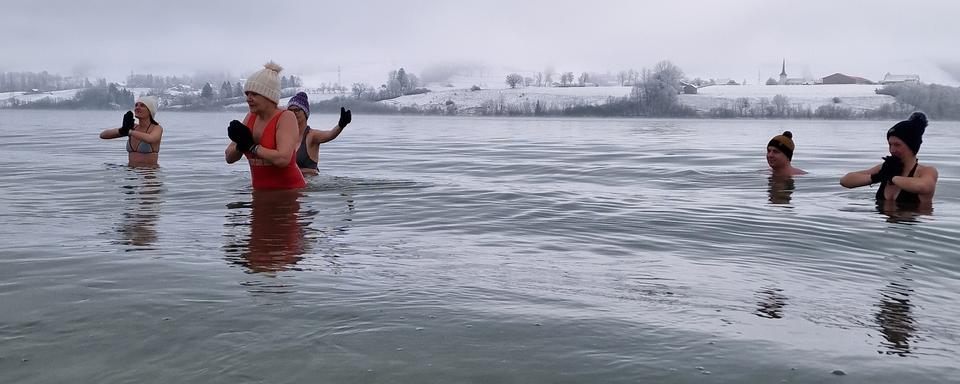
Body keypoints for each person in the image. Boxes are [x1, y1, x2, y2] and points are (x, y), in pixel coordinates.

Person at [224, 62, 305, 189]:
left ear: (269, 97)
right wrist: (240, 145)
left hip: (289, 192)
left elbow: (283, 159)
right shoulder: (250, 117)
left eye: (254, 94)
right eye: (247, 94)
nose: (248, 98)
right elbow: (229, 158)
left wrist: (252, 147)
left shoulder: (286, 117)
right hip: (259, 192)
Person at [840, 112, 937, 206]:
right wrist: (878, 176)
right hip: (881, 221)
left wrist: (892, 177)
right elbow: (845, 181)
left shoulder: (926, 171)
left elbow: (925, 186)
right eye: (890, 144)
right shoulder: (885, 169)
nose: (892, 150)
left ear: (911, 146)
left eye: (897, 145)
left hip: (912, 221)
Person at [286, 92, 352, 175]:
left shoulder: (312, 135)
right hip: (290, 183)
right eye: (290, 110)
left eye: (297, 110)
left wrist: (341, 125)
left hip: (309, 185)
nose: (293, 113)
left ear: (305, 113)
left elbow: (330, 135)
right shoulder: (285, 136)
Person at [99, 96, 163, 167]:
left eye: (142, 105)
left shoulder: (157, 128)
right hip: (130, 173)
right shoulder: (133, 127)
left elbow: (150, 139)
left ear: (150, 111)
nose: (137, 108)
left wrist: (130, 132)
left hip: (149, 173)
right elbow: (103, 135)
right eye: (136, 105)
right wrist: (123, 129)